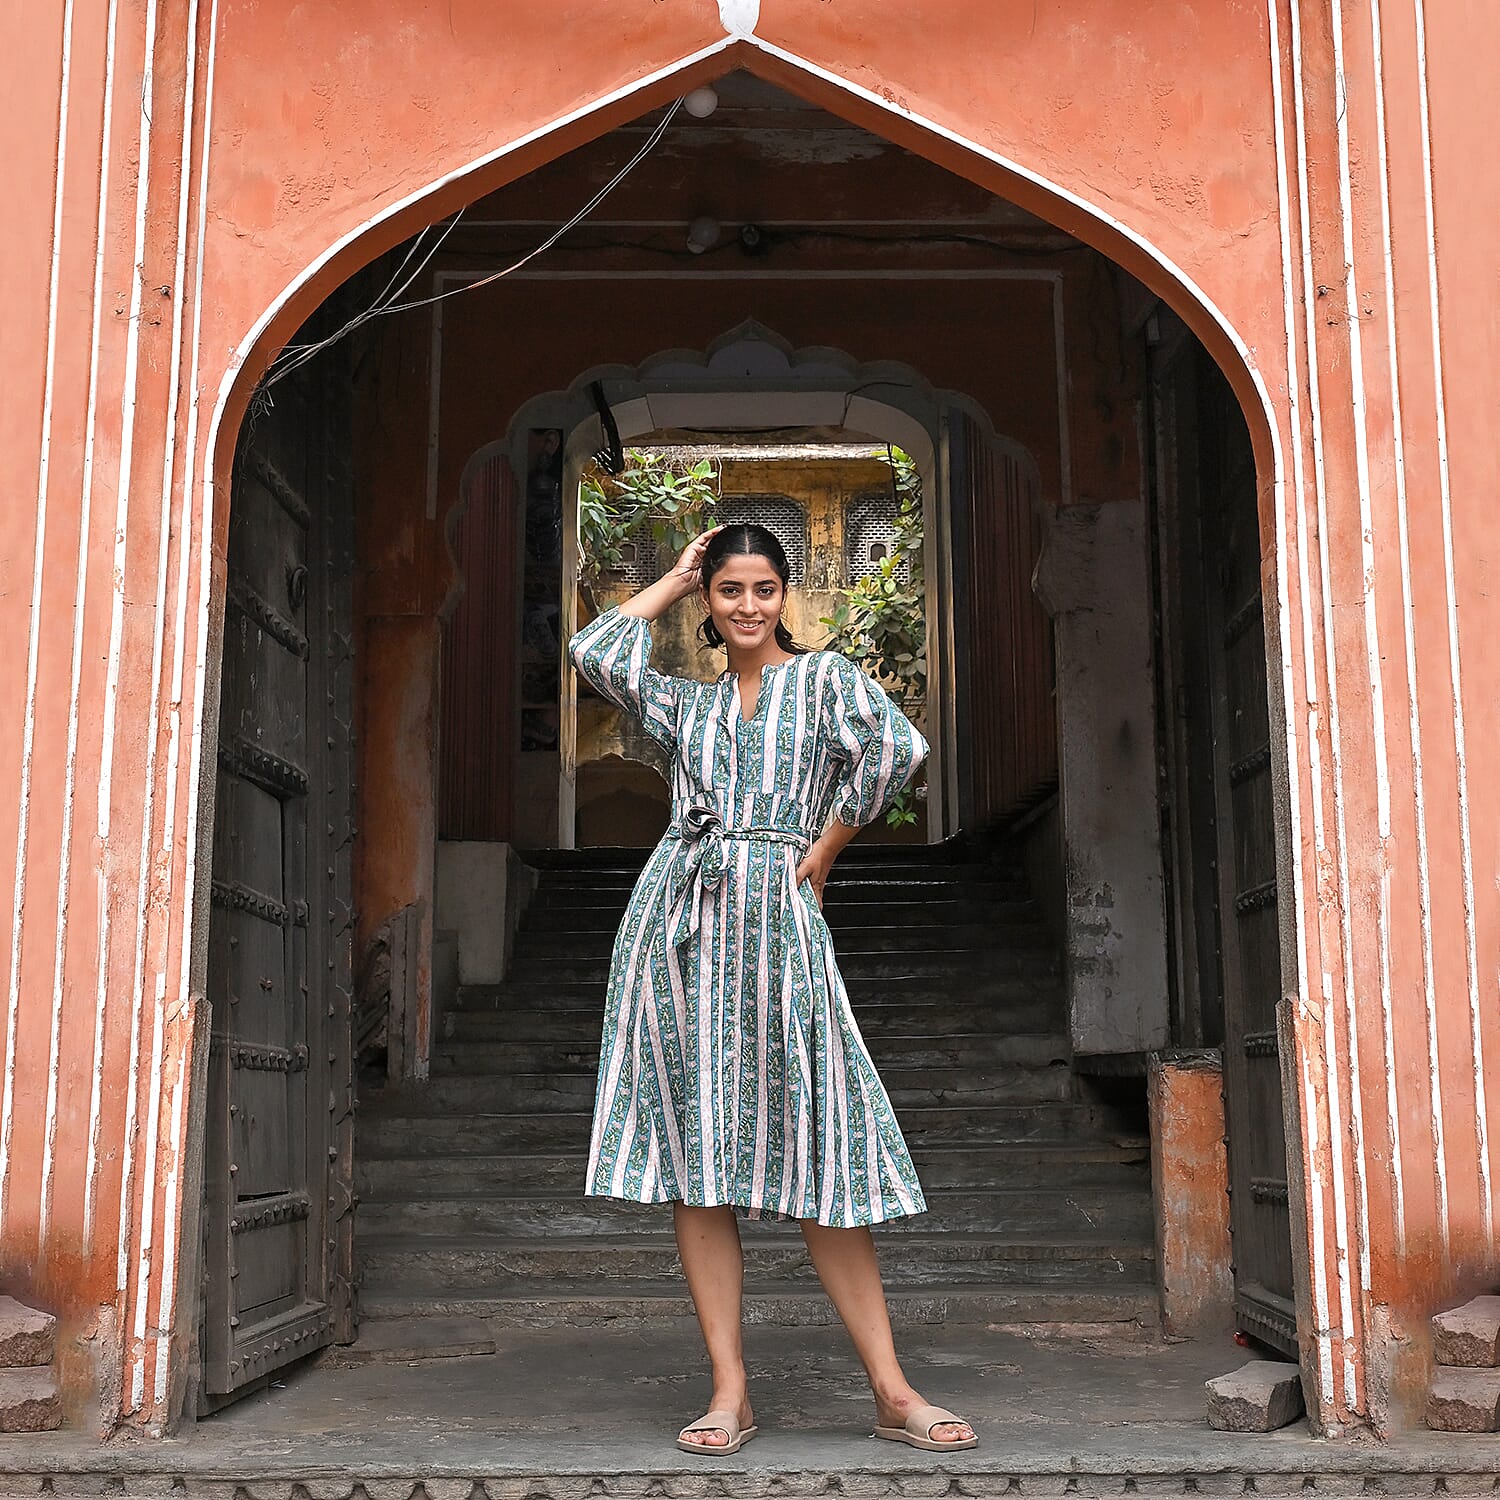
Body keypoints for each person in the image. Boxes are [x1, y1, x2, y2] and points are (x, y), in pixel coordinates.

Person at [568, 522, 979, 1456]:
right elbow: (593, 649)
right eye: (727, 591)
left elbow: (894, 749)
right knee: (697, 1154)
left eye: (761, 588)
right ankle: (730, 1390)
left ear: (783, 594)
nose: (746, 606)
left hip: (780, 918)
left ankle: (892, 1390)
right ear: (709, 603)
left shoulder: (826, 679)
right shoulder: (687, 706)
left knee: (820, 1141)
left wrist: (824, 850)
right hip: (680, 931)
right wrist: (674, 574)